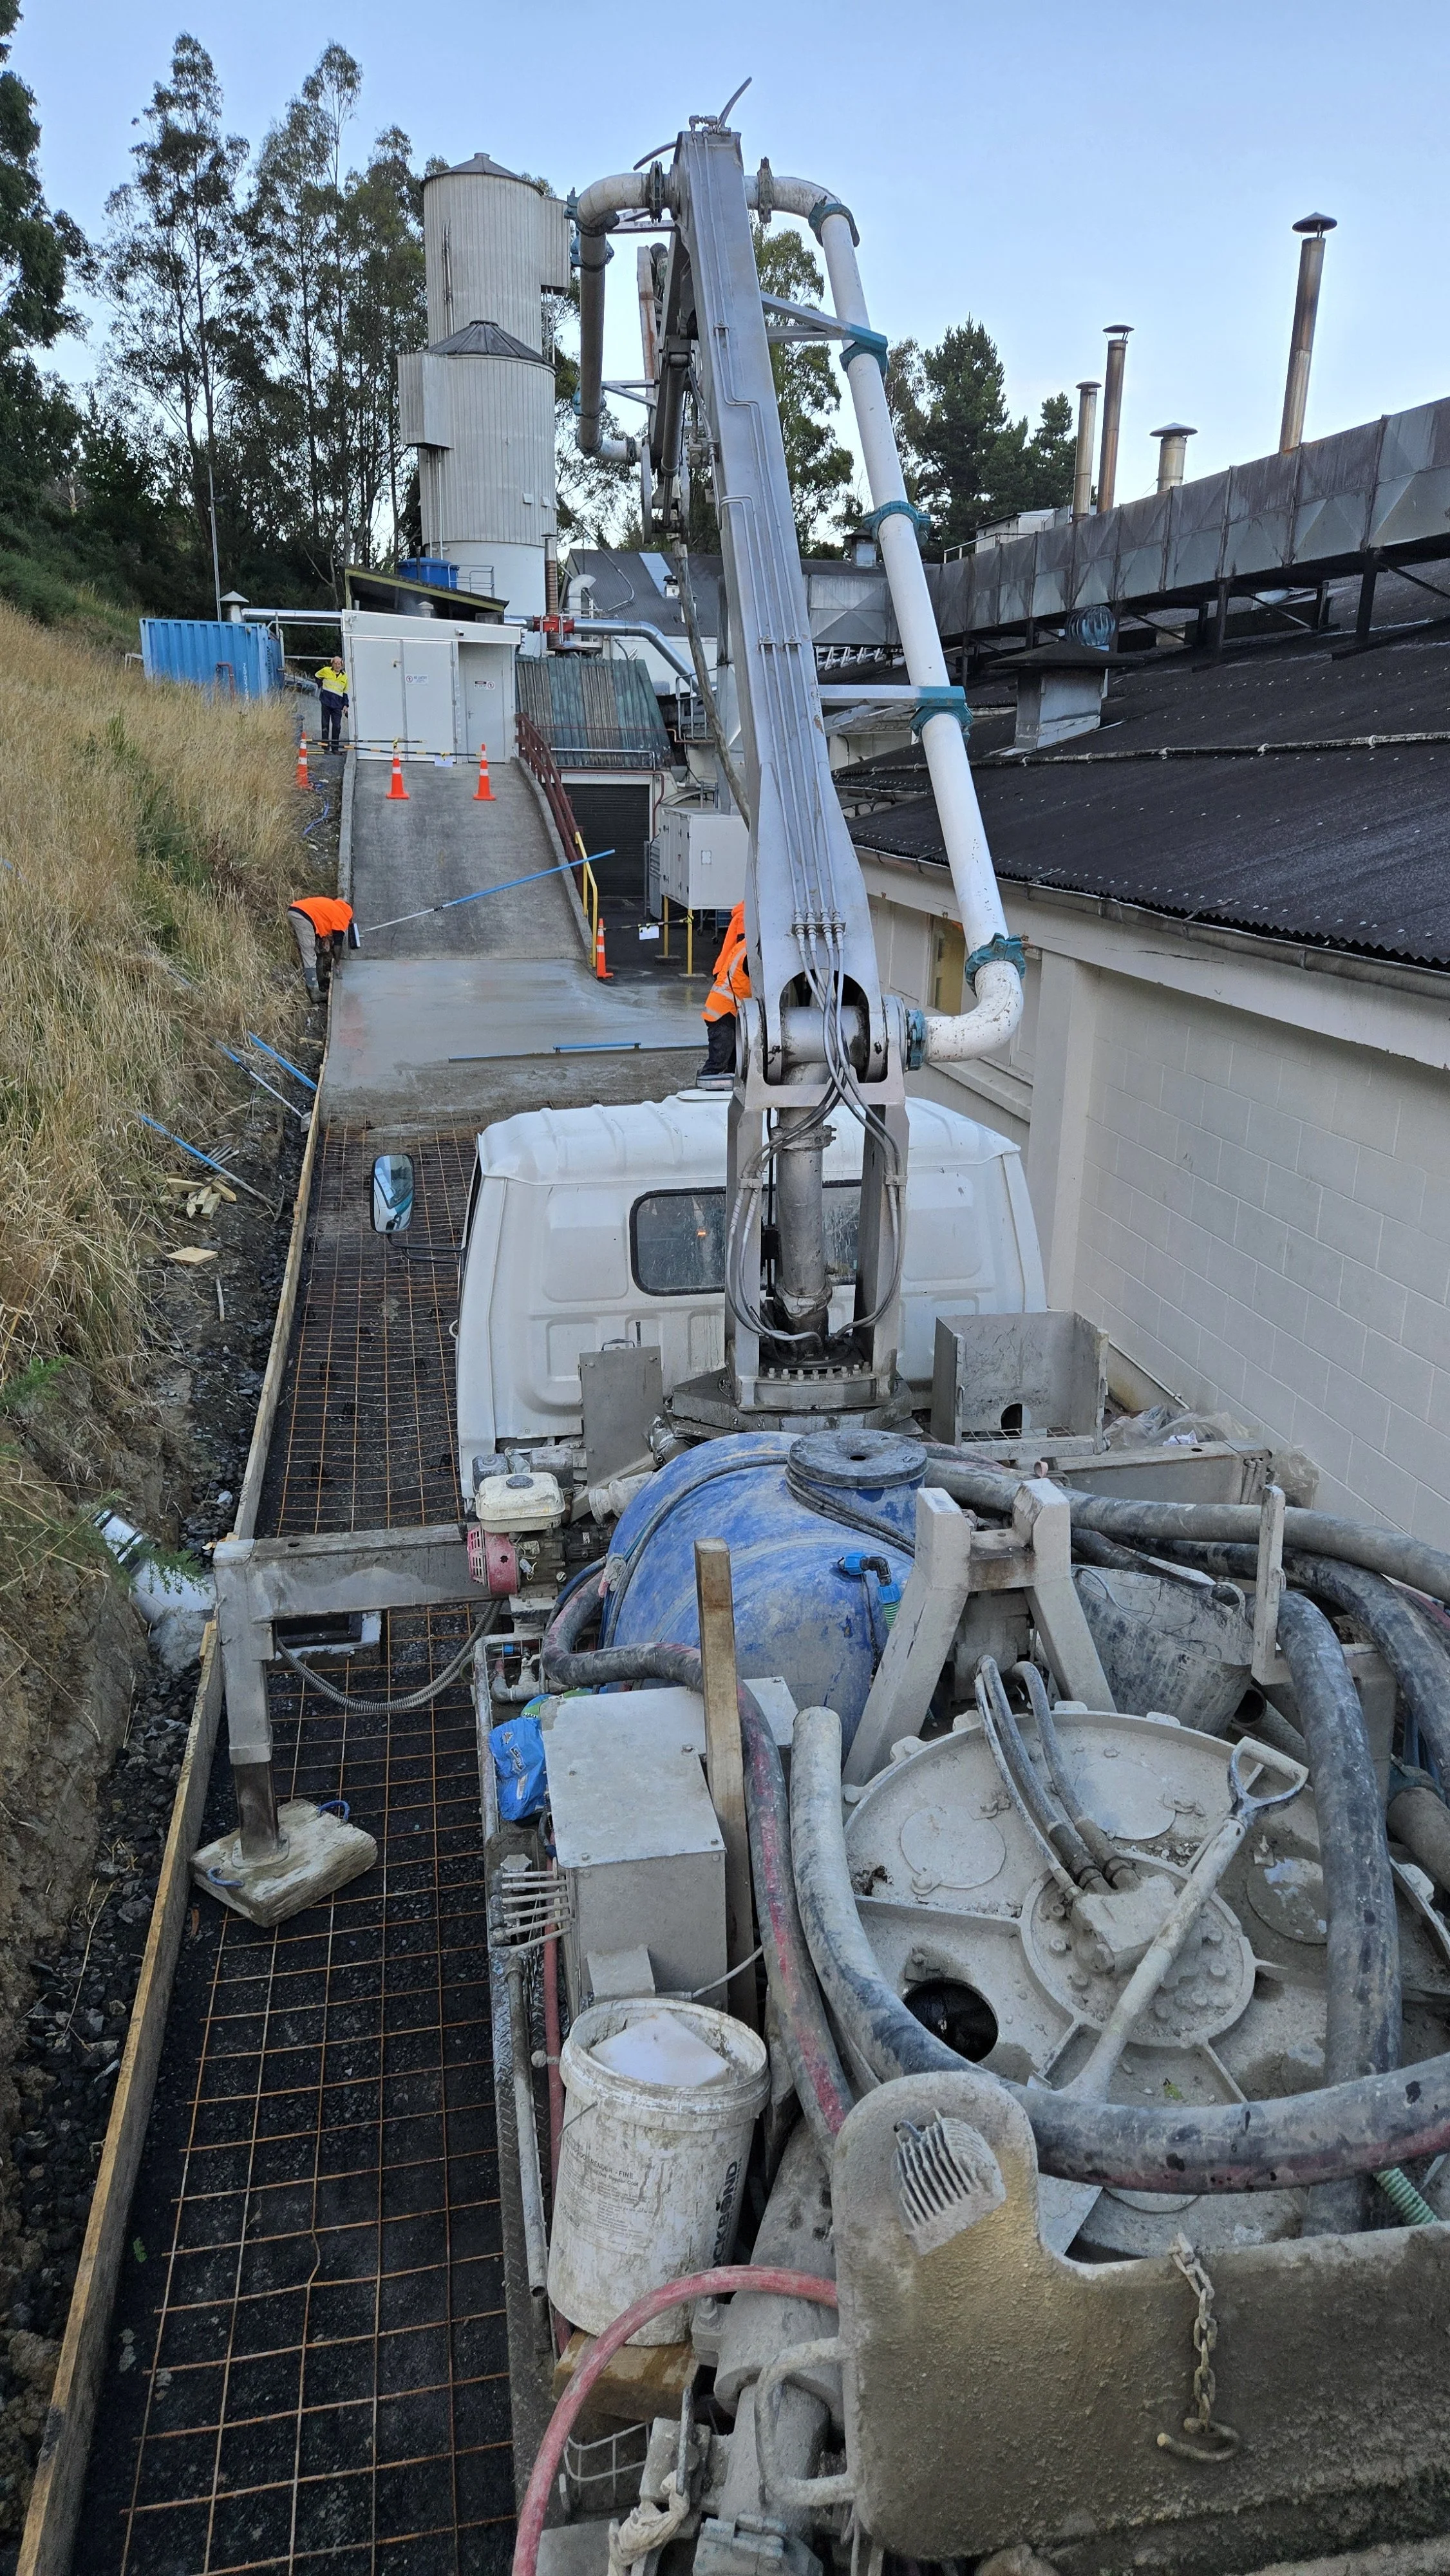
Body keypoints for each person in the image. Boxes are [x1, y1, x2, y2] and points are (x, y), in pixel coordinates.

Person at [697, 900, 750, 1084]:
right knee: (719, 1062)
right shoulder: (749, 950)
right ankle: (704, 1085)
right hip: (725, 1012)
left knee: (734, 1061)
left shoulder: (744, 946)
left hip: (726, 1009)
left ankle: (718, 1088)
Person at [287, 893, 359, 1001]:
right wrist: (338, 963)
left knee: (319, 949)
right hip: (302, 917)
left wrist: (324, 939)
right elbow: (338, 945)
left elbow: (321, 921)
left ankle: (320, 978)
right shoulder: (342, 917)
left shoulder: (332, 906)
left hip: (297, 910)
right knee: (309, 951)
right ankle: (315, 992)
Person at [315, 657, 348, 753]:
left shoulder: (344, 677)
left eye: (339, 664)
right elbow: (317, 676)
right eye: (336, 663)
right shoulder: (326, 670)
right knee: (325, 725)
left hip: (337, 704)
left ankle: (335, 748)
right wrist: (320, 685)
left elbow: (345, 692)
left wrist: (346, 705)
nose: (338, 665)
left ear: (342, 665)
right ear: (332, 664)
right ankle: (325, 747)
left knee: (337, 726)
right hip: (326, 702)